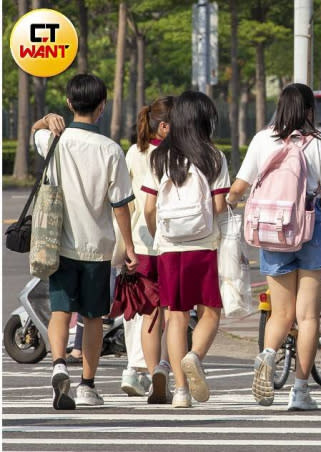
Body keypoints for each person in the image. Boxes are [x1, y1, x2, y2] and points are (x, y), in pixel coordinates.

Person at [227, 83, 321, 410]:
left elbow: (240, 186)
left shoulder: (263, 139)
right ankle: (300, 391)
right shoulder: (319, 143)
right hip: (312, 228)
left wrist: (229, 202)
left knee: (281, 312)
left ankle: (267, 355)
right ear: (309, 111)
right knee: (308, 317)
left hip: (273, 229)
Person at [31, 73, 138, 410]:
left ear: (68, 103)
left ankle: (58, 364)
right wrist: (130, 246)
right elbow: (120, 204)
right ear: (102, 107)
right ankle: (87, 386)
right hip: (98, 246)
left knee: (61, 310)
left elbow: (35, 132)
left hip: (58, 243)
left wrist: (46, 120)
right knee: (93, 317)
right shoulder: (111, 150)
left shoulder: (54, 140)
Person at [143, 91, 230, 408]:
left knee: (175, 316)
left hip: (169, 246)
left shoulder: (159, 157)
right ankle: (195, 356)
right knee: (210, 311)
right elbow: (219, 205)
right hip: (204, 244)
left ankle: (180, 390)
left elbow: (149, 208)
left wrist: (160, 237)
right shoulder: (214, 157)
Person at [121, 97, 175, 404]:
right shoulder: (172, 156)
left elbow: (125, 201)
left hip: (139, 243)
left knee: (144, 311)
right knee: (171, 312)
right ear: (165, 125)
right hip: (168, 241)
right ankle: (160, 371)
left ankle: (137, 369)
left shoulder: (135, 152)